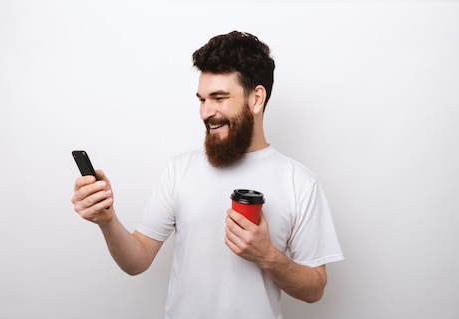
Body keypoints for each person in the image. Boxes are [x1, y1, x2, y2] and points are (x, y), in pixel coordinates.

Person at [71, 31, 344, 319]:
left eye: (219, 98)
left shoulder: (299, 182)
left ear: (256, 99)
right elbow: (137, 261)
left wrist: (267, 254)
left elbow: (315, 290)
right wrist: (107, 221)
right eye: (202, 99)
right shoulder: (178, 170)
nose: (205, 112)